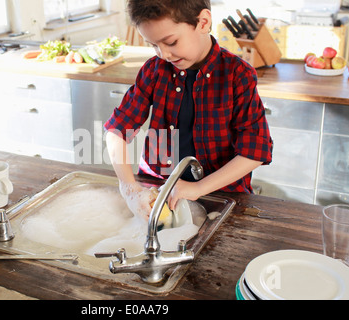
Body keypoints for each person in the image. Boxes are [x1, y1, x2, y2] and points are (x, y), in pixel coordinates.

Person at [104, 0, 273, 220]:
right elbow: (116, 132)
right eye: (153, 45)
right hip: (159, 189)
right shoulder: (154, 70)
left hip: (222, 195)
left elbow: (254, 153)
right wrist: (129, 189)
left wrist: (198, 188)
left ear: (203, 22)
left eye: (171, 42)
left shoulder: (237, 75)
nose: (163, 54)